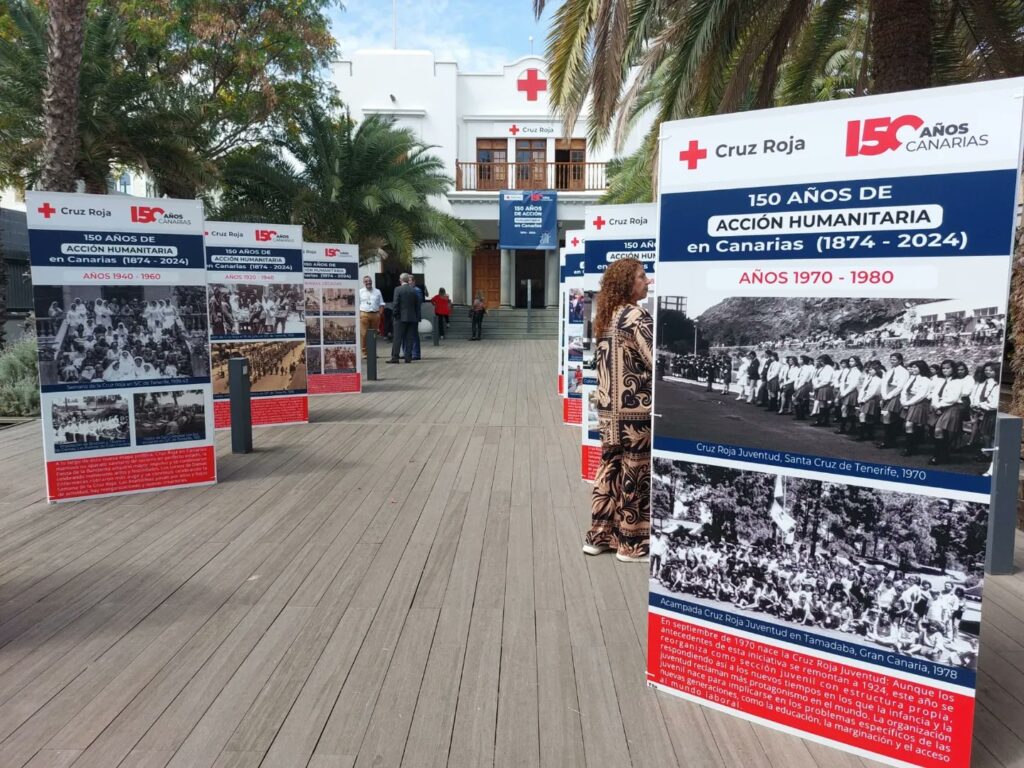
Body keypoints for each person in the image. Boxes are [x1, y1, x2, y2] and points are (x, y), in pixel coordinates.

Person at [582, 258, 654, 563]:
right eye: (641, 277)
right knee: (635, 473)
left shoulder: (607, 316)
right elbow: (655, 361)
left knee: (609, 470)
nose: (647, 281)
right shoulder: (636, 317)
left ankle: (599, 536)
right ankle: (631, 543)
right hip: (635, 413)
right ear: (627, 282)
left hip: (609, 412)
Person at [386, 273, 421, 364]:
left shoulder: (398, 289)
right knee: (409, 338)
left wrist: (394, 315)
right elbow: (417, 305)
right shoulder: (414, 290)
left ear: (401, 280)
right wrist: (416, 317)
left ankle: (395, 357)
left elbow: (395, 303)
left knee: (397, 338)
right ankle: (408, 358)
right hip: (412, 317)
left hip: (400, 318)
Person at [358, 275, 384, 358]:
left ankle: (372, 352)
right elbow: (356, 304)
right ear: (363, 282)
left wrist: (379, 314)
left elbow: (382, 304)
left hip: (375, 314)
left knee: (374, 334)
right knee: (364, 334)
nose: (368, 282)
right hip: (364, 314)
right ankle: (364, 353)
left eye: (369, 281)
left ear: (372, 281)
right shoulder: (360, 291)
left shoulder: (377, 291)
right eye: (366, 281)